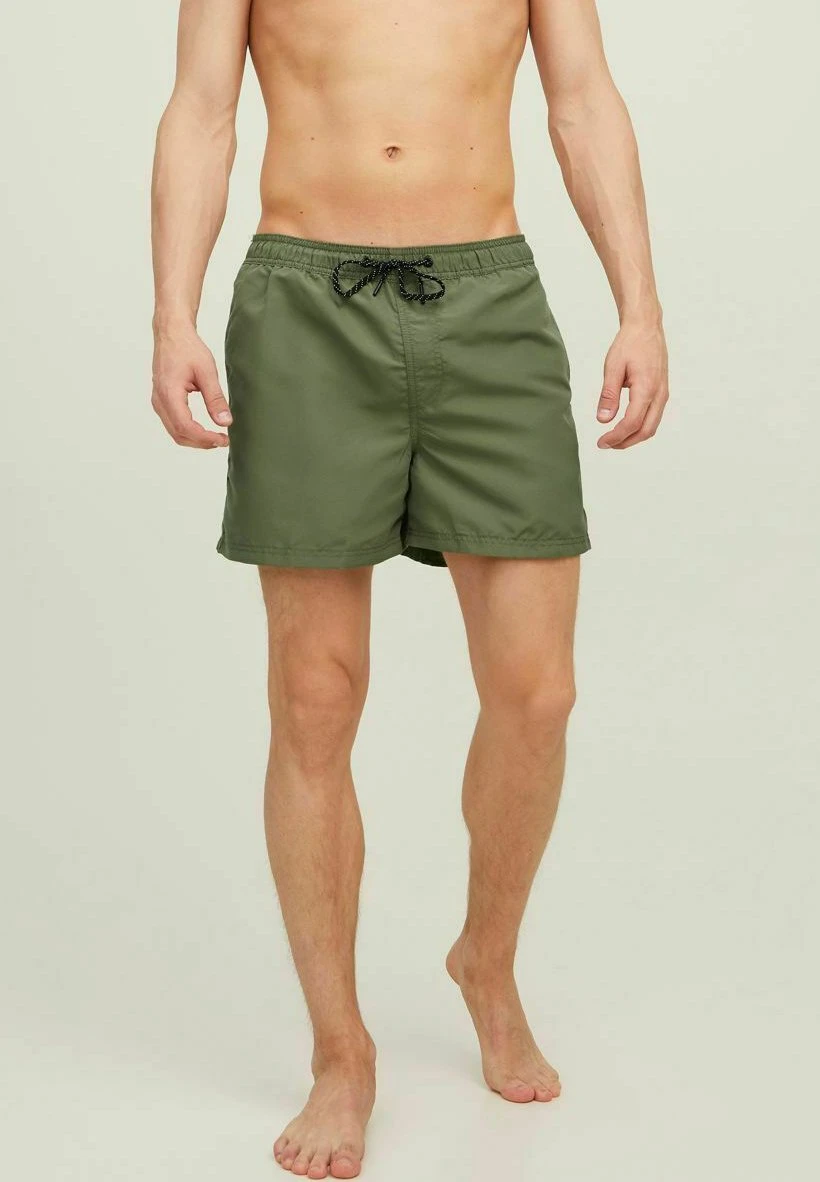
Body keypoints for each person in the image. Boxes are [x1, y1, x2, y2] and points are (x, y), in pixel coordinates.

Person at [150, 0, 669, 1176]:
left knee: (537, 692)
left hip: (488, 301)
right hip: (304, 299)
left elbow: (582, 99)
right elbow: (201, 110)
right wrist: (172, 310)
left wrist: (638, 304)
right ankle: (341, 1053)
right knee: (315, 698)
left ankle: (485, 958)